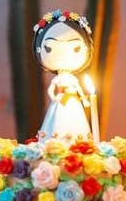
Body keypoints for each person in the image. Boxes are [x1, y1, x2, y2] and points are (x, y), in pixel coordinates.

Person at [34, 9, 94, 139]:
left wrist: (84, 99)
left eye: (76, 48)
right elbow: (51, 89)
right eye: (49, 48)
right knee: (57, 121)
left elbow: (78, 89)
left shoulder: (72, 78)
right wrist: (54, 98)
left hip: (73, 100)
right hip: (60, 100)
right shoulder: (59, 79)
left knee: (76, 121)